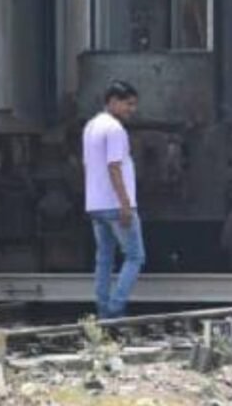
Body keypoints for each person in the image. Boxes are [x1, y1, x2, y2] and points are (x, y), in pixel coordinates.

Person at [83, 81, 144, 319]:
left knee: (104, 259)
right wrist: (125, 204)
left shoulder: (91, 126)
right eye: (129, 104)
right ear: (114, 101)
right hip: (116, 205)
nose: (132, 110)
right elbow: (114, 167)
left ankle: (102, 308)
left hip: (96, 204)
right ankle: (115, 309)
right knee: (135, 256)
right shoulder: (115, 130)